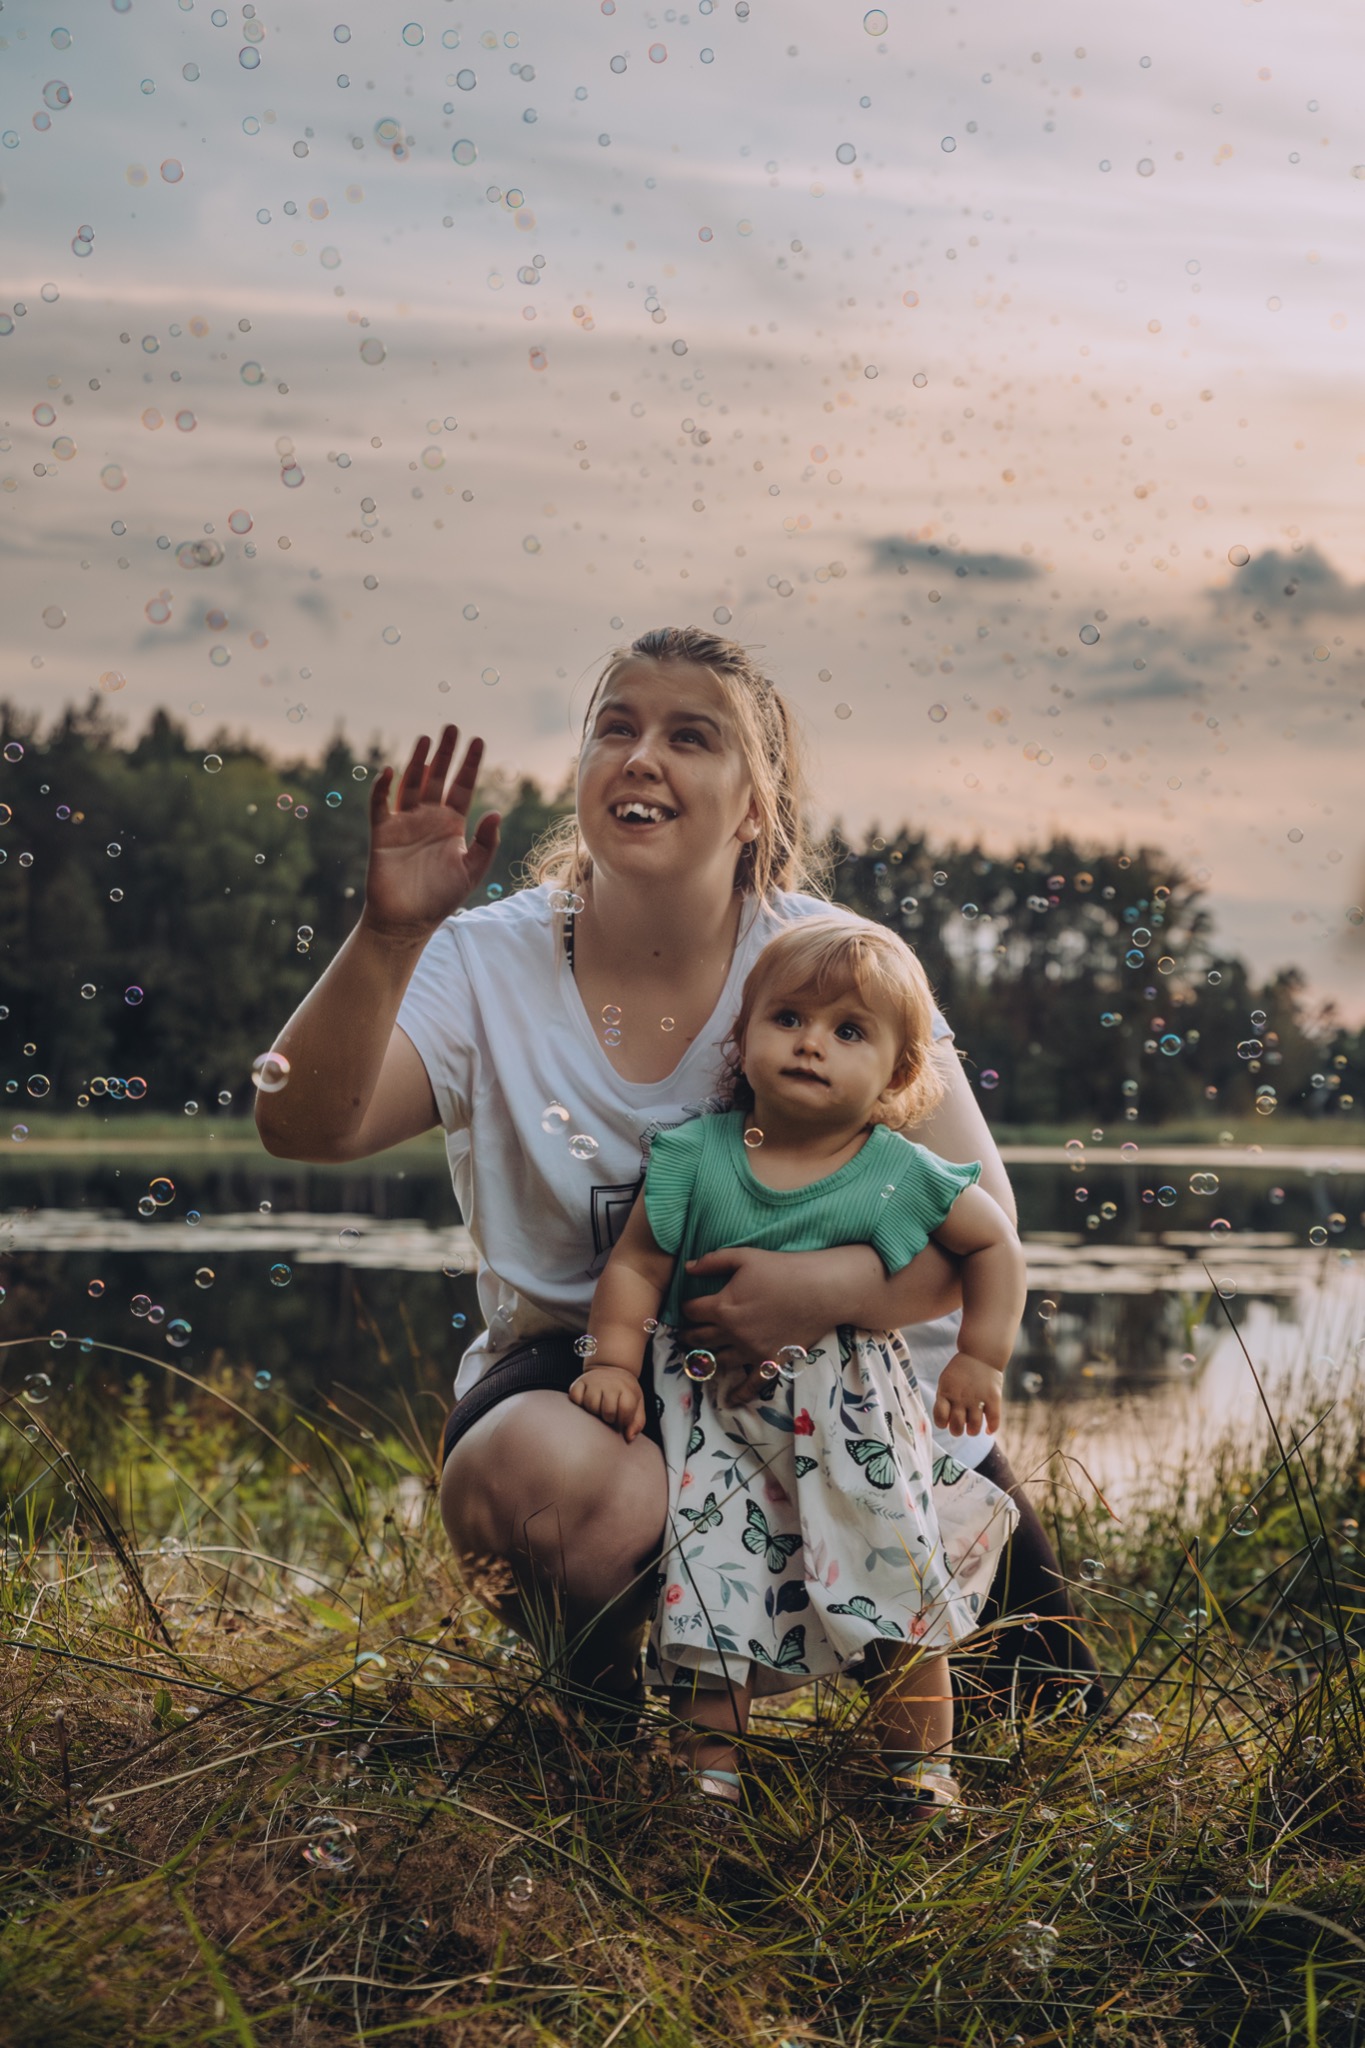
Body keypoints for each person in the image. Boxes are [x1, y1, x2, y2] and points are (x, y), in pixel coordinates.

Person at [254, 625, 1099, 1739]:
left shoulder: (839, 969)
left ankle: (856, 1653)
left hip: (854, 1399)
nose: (641, 754)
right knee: (557, 1486)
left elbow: (975, 1236)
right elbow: (306, 1125)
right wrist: (388, 933)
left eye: (689, 736)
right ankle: (601, 1721)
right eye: (618, 726)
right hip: (590, 1384)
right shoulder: (480, 959)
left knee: (1045, 1726)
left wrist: (823, 1291)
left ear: (757, 802)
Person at [570, 918, 1026, 1812]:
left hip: (857, 1430)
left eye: (848, 1031)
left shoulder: (897, 1170)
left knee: (898, 1596)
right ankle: (708, 1778)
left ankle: (922, 1773)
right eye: (788, 1018)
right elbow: (634, 1265)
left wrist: (982, 1355)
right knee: (714, 1597)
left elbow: (995, 1246)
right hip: (718, 1425)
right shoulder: (694, 1156)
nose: (811, 1042)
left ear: (899, 1074)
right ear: (742, 1040)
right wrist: (616, 1360)